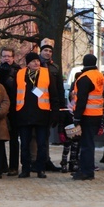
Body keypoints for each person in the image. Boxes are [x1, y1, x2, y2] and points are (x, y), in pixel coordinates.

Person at [14, 52, 62, 178]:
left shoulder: (47, 73)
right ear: (28, 63)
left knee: (42, 144)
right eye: (33, 61)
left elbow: (54, 95)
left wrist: (55, 113)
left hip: (42, 114)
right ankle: (25, 169)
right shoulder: (20, 74)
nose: (36, 63)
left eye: (37, 60)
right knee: (24, 144)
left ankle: (41, 169)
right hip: (24, 114)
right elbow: (15, 94)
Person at [71, 54, 104, 180]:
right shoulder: (99, 76)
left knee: (86, 145)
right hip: (97, 114)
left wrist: (77, 117)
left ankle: (86, 171)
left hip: (87, 115)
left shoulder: (84, 78)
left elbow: (82, 100)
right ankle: (87, 169)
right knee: (89, 143)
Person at [0, 47, 21, 176]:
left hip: (15, 108)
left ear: (13, 58)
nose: (6, 58)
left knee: (14, 138)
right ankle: (2, 165)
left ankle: (14, 166)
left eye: (9, 56)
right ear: (1, 57)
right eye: (4, 56)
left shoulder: (18, 71)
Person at [38, 38, 63, 172]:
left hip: (49, 106)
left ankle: (46, 160)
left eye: (50, 51)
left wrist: (59, 108)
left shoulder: (55, 68)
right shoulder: (35, 65)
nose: (47, 53)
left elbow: (59, 89)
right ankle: (36, 160)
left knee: (45, 136)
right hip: (36, 106)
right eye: (45, 50)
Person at [59, 90, 80, 173]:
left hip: (77, 130)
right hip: (67, 131)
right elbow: (61, 122)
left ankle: (73, 163)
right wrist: (60, 132)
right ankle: (64, 163)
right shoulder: (66, 109)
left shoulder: (78, 107)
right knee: (66, 148)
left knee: (75, 147)